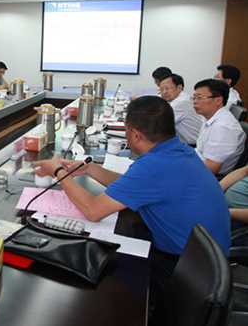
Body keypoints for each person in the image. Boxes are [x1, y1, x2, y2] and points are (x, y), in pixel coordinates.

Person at [32, 96, 230, 309]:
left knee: (94, 287)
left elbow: (93, 210)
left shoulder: (153, 166)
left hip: (184, 278)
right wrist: (89, 168)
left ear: (136, 135)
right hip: (208, 266)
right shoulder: (178, 151)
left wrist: (58, 171)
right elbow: (135, 187)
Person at [193, 79, 246, 176]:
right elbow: (200, 150)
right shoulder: (210, 118)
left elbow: (210, 170)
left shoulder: (222, 128)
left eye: (200, 98)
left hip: (205, 174)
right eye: (194, 97)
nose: (195, 102)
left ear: (218, 100)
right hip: (196, 162)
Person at [158, 74, 201, 145]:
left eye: (167, 88)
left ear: (179, 88)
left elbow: (159, 123)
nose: (164, 92)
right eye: (161, 89)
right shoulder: (181, 97)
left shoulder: (180, 102)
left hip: (194, 145)